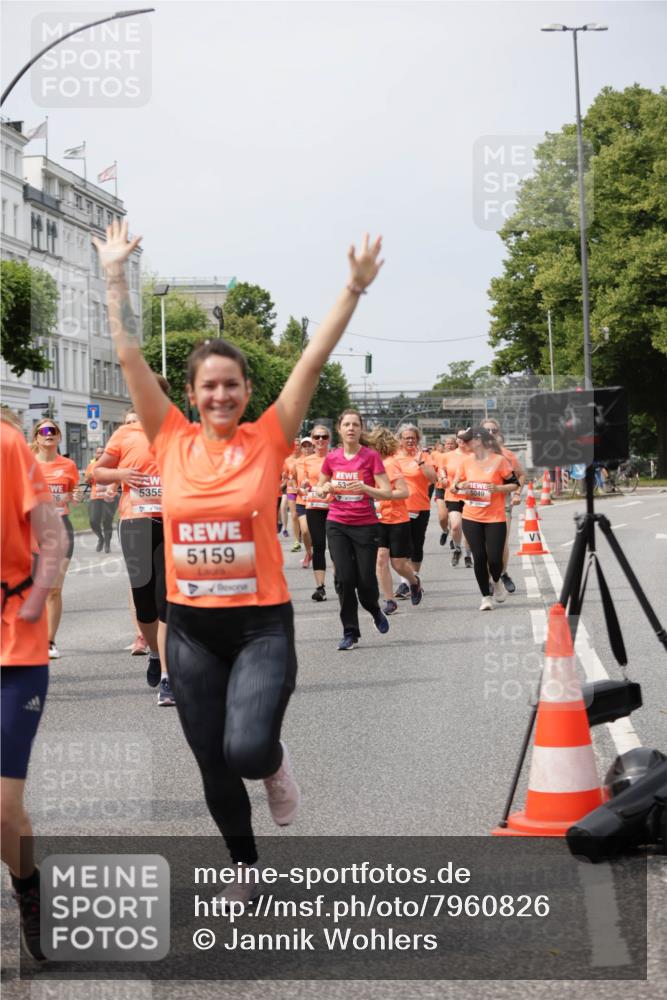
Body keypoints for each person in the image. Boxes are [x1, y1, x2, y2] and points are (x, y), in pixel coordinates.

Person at [95, 218, 383, 899]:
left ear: (247, 391)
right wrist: (113, 275)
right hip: (190, 627)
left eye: (231, 385)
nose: (219, 395)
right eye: (207, 387)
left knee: (247, 750)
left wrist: (352, 288)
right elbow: (129, 355)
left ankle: (276, 764)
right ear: (190, 396)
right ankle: (244, 868)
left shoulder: (270, 437)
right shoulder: (166, 437)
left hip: (258, 627)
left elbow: (312, 358)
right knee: (211, 760)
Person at [1, 418, 68, 961]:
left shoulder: (8, 445)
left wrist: (34, 597)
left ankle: (27, 888)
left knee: (3, 812)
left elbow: (53, 536)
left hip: (13, 651)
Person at [94, 395, 174, 706]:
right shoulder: (125, 435)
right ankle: (155, 652)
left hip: (170, 523)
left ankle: (168, 677)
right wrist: (121, 475)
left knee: (165, 599)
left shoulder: (176, 432)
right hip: (136, 523)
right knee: (144, 601)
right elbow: (98, 472)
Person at [315, 409, 392, 650]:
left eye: (355, 425)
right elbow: (319, 487)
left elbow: (387, 491)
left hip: (365, 525)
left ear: (361, 429)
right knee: (344, 579)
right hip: (337, 523)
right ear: (339, 429)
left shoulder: (370, 457)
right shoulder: (332, 458)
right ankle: (350, 631)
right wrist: (324, 488)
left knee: (366, 581)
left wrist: (365, 488)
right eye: (346, 424)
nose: (351, 428)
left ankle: (374, 608)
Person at [31, 418, 83, 658]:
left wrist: (76, 496)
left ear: (59, 437)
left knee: (53, 589)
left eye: (53, 430)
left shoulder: (69, 465)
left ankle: (50, 641)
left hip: (60, 527)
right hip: (31, 529)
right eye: (44, 430)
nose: (48, 433)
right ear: (37, 437)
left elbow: (73, 492)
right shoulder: (27, 464)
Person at [452, 426, 519, 610]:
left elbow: (514, 484)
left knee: (495, 559)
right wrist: (459, 486)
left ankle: (496, 581)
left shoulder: (499, 461)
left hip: (495, 517)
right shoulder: (465, 462)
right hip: (471, 516)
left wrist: (498, 489)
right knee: (479, 557)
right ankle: (486, 597)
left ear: (479, 440)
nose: (464, 443)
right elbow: (454, 486)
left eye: (467, 439)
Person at [367, 426, 423, 615]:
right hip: (378, 520)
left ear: (379, 446)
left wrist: (381, 495)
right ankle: (389, 600)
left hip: (397, 520)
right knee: (380, 560)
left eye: (371, 446)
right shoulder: (370, 465)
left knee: (398, 564)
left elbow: (404, 492)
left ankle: (414, 583)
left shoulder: (390, 464)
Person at [481, 418, 526, 594]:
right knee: (484, 547)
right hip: (479, 507)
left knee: (500, 544)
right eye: (487, 431)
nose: (490, 434)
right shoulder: (473, 454)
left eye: (494, 430)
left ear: (499, 433)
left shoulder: (507, 454)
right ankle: (492, 579)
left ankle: (500, 574)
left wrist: (516, 494)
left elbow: (521, 475)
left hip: (502, 504)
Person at [392, 424, 437, 597]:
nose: (410, 440)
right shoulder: (394, 457)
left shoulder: (424, 456)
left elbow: (433, 479)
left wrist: (420, 462)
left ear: (417, 439)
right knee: (403, 546)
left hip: (420, 506)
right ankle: (405, 582)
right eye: (406, 438)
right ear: (400, 440)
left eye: (413, 438)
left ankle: (414, 579)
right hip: (400, 507)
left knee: (417, 545)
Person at [296, 424, 333, 600]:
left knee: (336, 548)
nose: (320, 440)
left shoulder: (335, 458)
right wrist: (303, 487)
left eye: (324, 437)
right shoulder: (306, 461)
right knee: (318, 546)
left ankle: (343, 582)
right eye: (317, 437)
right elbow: (302, 484)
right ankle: (320, 587)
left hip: (334, 507)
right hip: (314, 507)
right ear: (312, 440)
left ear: (329, 439)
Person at [438, 429, 474, 568]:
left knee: (468, 528)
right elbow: (441, 469)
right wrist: (443, 478)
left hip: (471, 496)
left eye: (465, 438)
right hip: (453, 495)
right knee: (455, 525)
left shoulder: (474, 455)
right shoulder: (448, 456)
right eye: (459, 437)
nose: (461, 440)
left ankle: (468, 555)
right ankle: (457, 549)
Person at [84, 445, 118, 552]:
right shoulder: (91, 465)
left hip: (109, 497)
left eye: (103, 452)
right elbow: (86, 481)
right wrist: (90, 477)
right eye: (98, 452)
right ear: (95, 454)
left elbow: (118, 479)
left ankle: (107, 544)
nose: (100, 454)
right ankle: (101, 538)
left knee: (107, 521)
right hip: (95, 497)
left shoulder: (112, 465)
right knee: (93, 520)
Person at [431, 435, 458, 546]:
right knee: (443, 517)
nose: (450, 445)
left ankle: (453, 537)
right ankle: (445, 531)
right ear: (444, 445)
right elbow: (433, 471)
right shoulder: (439, 457)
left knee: (453, 516)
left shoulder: (459, 456)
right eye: (447, 443)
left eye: (452, 443)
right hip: (441, 489)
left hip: (454, 490)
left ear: (456, 445)